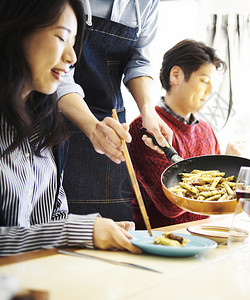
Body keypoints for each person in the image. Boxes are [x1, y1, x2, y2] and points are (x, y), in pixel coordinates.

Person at [0, 0, 140, 261]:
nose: (73, 57)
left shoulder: (48, 126)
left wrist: (93, 235)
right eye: (62, 38)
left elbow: (55, 219)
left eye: (74, 43)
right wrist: (77, 231)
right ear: (15, 32)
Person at [56, 0, 172, 221]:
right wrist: (92, 126)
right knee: (60, 227)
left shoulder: (147, 3)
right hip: (57, 120)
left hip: (112, 125)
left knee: (115, 230)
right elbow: (61, 72)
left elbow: (139, 62)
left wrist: (148, 111)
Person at [129, 39, 244, 229]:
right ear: (175, 75)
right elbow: (171, 204)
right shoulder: (146, 128)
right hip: (159, 241)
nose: (210, 90)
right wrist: (220, 181)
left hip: (204, 236)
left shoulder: (206, 131)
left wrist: (232, 170)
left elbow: (220, 202)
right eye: (204, 80)